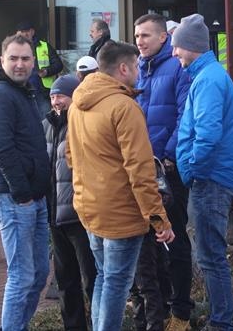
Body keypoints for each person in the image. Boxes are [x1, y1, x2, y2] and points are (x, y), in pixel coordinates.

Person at [67, 41, 175, 331]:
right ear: (124, 68)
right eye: (136, 66)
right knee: (116, 283)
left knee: (104, 277)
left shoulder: (77, 103)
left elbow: (71, 157)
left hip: (89, 208)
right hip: (120, 214)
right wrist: (159, 221)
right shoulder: (124, 107)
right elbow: (141, 172)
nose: (139, 72)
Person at [171, 14, 233, 331]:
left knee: (211, 257)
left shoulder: (208, 80)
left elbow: (208, 135)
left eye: (177, 47)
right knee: (211, 256)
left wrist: (190, 170)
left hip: (209, 180)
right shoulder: (208, 75)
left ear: (191, 46)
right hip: (211, 177)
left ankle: (221, 323)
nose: (174, 53)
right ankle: (219, 319)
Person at [0, 34, 51, 331]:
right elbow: (1, 148)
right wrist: (22, 191)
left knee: (38, 274)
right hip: (14, 196)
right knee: (22, 276)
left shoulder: (25, 92)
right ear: (2, 61)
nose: (19, 64)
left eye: (25, 58)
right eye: (13, 58)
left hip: (33, 195)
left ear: (34, 62)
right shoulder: (0, 95)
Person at [133, 13, 193, 331]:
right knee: (150, 246)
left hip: (167, 169)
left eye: (145, 35)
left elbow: (185, 116)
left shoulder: (177, 67)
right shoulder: (137, 69)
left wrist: (167, 155)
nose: (140, 41)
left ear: (162, 37)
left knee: (174, 239)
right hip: (141, 172)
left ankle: (181, 311)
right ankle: (157, 309)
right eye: (136, 36)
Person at [43, 74, 96, 331]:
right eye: (53, 96)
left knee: (91, 278)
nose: (56, 101)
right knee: (66, 281)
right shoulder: (46, 125)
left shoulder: (83, 122)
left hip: (80, 215)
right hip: (55, 217)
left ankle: (100, 324)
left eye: (61, 96)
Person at [16, 21, 64, 117]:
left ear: (32, 32)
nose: (25, 34)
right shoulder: (14, 48)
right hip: (23, 91)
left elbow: (58, 65)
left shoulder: (44, 46)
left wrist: (47, 71)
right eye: (22, 31)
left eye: (27, 31)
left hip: (42, 92)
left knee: (45, 120)